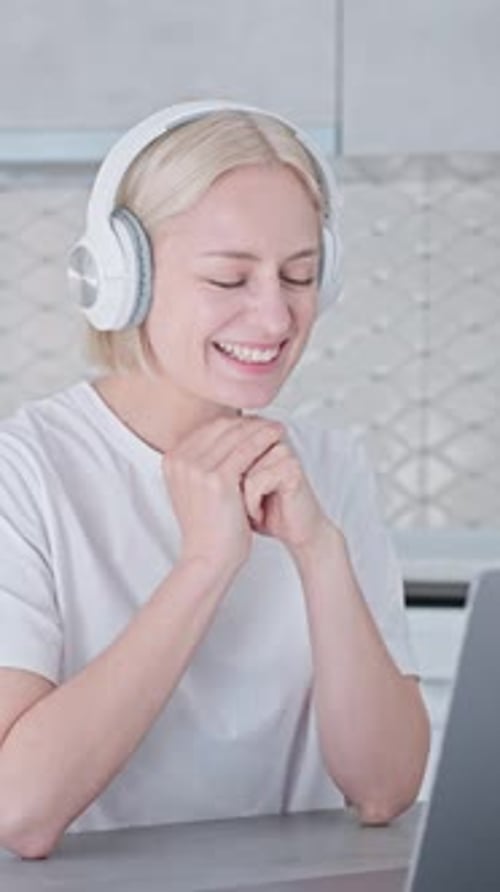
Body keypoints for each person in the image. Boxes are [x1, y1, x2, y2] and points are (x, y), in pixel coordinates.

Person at [0, 99, 429, 860]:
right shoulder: (25, 472)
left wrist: (320, 551)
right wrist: (205, 565)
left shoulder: (328, 467)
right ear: (122, 279)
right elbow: (19, 811)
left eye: (300, 275)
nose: (274, 317)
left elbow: (384, 790)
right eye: (229, 279)